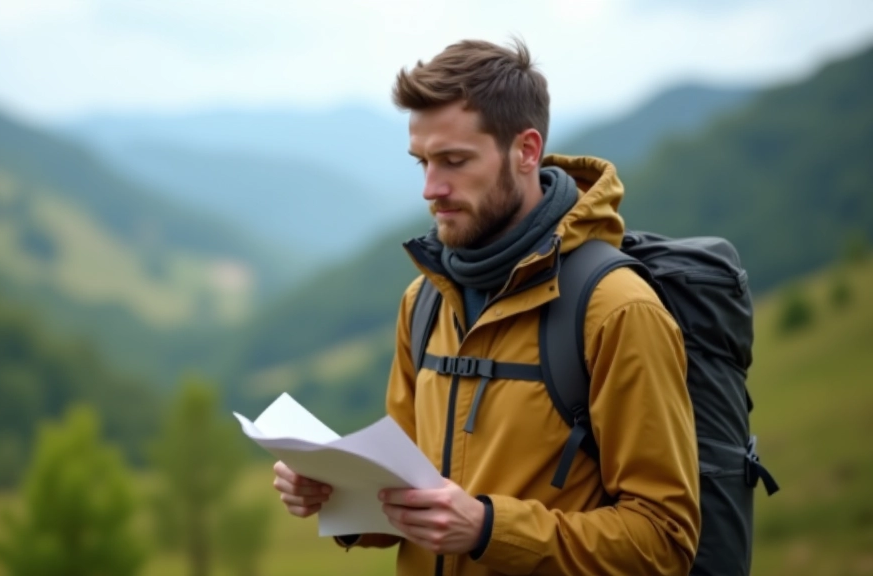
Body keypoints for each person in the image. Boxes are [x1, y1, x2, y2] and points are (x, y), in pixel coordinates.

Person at [272, 37, 701, 576]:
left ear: (525, 150)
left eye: (454, 161)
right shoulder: (425, 301)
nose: (431, 188)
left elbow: (664, 542)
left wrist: (486, 529)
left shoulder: (616, 310)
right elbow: (407, 498)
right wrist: (338, 496)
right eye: (422, 162)